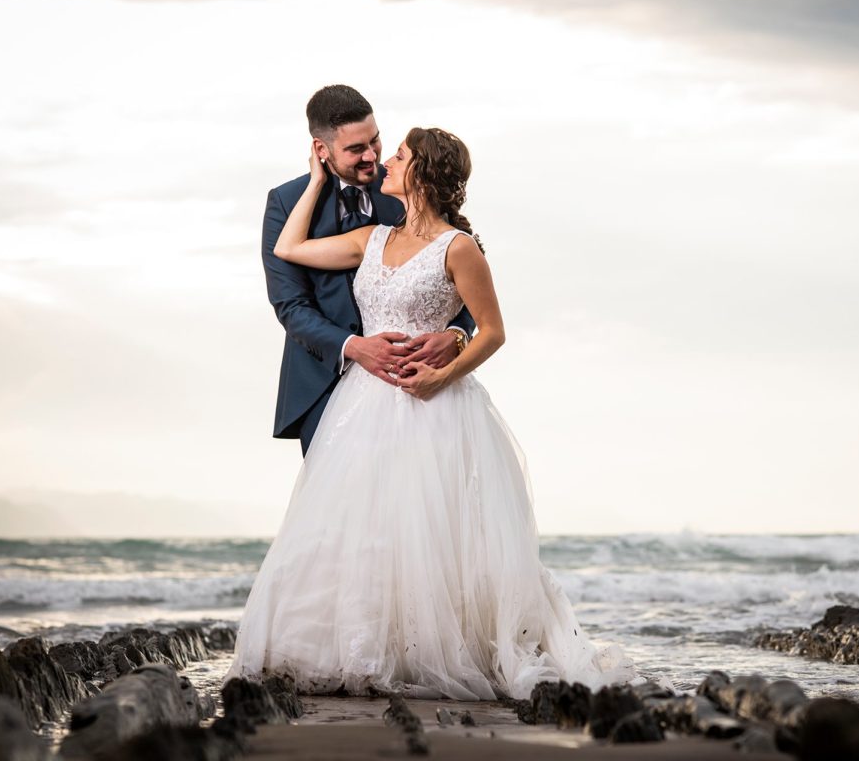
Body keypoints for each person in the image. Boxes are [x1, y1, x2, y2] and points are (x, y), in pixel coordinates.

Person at [224, 125, 640, 700]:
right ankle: (367, 646)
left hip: (438, 407)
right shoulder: (370, 238)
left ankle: (441, 649)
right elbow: (288, 249)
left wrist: (444, 371)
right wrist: (318, 178)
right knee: (365, 530)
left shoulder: (459, 247)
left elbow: (491, 331)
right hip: (364, 404)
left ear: (421, 174)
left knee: (434, 531)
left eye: (399, 155)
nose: (387, 159)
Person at [261, 84, 476, 452]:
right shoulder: (286, 204)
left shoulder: (407, 185)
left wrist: (456, 335)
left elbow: (462, 275)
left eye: (375, 141)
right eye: (355, 149)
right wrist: (355, 346)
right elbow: (291, 306)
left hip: (416, 385)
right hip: (326, 384)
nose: (372, 157)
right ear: (321, 149)